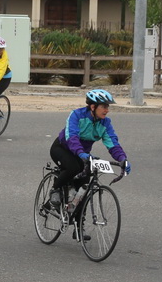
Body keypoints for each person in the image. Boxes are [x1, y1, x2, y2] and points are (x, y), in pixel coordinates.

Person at [49, 90, 130, 235]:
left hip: (83, 155)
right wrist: (81, 153)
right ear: (93, 107)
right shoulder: (77, 115)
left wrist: (122, 159)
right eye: (104, 106)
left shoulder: (105, 123)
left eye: (108, 107)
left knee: (85, 187)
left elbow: (112, 143)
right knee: (73, 168)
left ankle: (79, 226)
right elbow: (72, 137)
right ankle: (55, 189)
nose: (107, 110)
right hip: (63, 149)